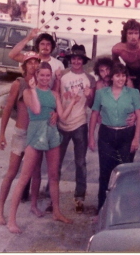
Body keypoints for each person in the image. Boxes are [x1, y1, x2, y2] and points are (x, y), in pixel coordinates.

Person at [7, 62, 78, 234]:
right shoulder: (28, 92)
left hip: (52, 133)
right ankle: (11, 220)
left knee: (54, 176)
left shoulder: (54, 94)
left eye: (48, 75)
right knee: (24, 176)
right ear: (36, 76)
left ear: (51, 76)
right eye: (42, 75)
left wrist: (73, 101)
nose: (45, 78)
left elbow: (63, 117)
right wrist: (33, 89)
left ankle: (56, 212)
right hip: (36, 132)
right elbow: (37, 110)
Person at [0, 51, 43, 225]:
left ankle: (34, 205)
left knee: (37, 172)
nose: (33, 65)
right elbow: (8, 108)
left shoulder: (41, 83)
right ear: (24, 66)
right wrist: (1, 133)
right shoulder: (19, 83)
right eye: (30, 63)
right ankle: (0, 210)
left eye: (36, 62)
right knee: (11, 172)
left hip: (36, 134)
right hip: (21, 133)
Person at [88, 63, 140, 211]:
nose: (121, 78)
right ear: (112, 77)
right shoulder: (101, 93)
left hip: (127, 135)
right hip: (107, 134)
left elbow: (139, 115)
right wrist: (91, 137)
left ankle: (123, 209)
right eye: (117, 75)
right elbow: (94, 114)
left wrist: (136, 137)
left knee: (125, 173)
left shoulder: (133, 93)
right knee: (105, 173)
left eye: (123, 75)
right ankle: (102, 209)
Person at [56, 44, 95, 214]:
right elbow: (55, 95)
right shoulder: (62, 76)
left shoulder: (90, 79)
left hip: (80, 123)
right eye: (73, 58)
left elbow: (92, 105)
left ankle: (80, 197)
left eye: (79, 59)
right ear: (70, 60)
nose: (76, 61)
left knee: (80, 162)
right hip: (62, 124)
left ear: (84, 61)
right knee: (56, 161)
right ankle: (53, 195)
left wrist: (90, 95)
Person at [112, 19, 140, 90]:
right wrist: (125, 74)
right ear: (125, 35)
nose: (133, 37)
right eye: (130, 33)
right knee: (131, 90)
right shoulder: (117, 49)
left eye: (136, 33)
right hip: (131, 71)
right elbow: (115, 62)